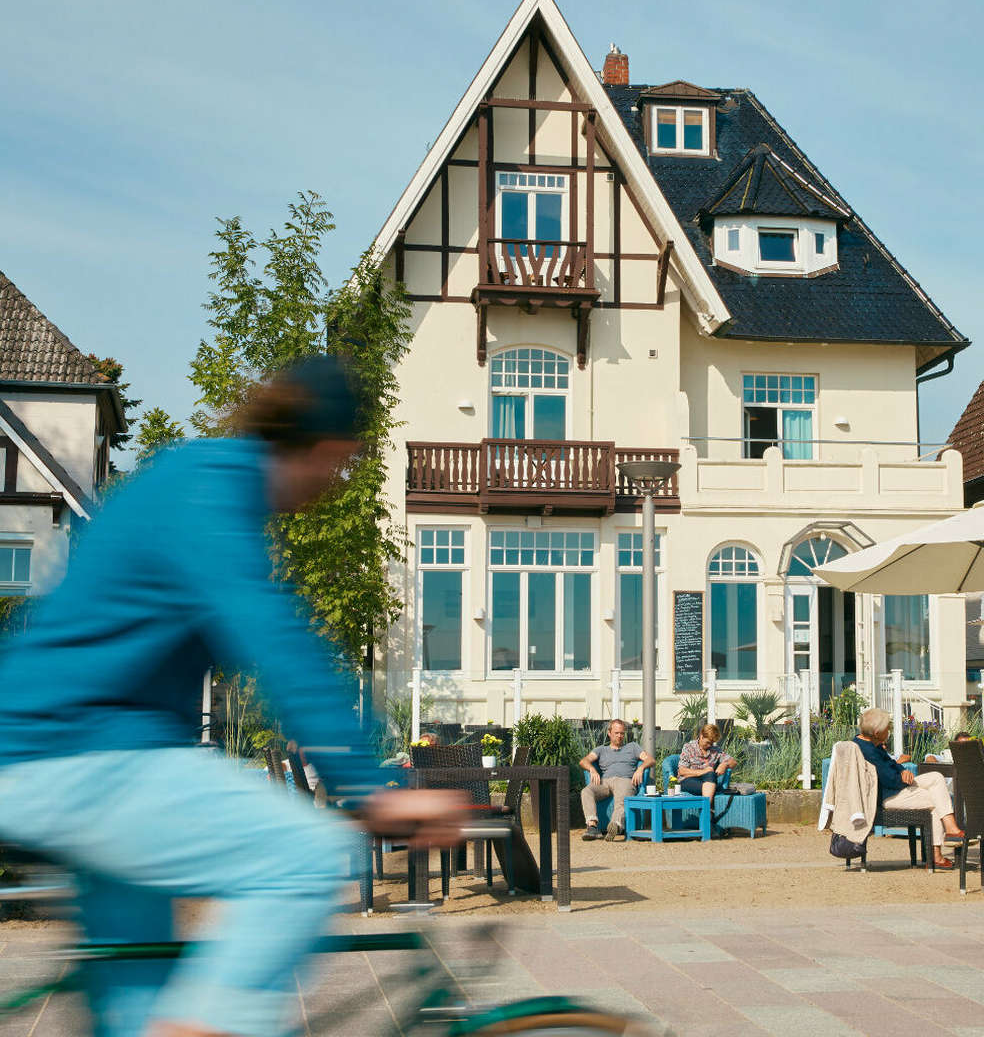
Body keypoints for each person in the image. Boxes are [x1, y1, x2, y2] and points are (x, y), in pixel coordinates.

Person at [0, 356, 466, 1037]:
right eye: (341, 463)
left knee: (141, 999)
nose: (335, 483)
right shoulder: (213, 490)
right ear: (322, 445)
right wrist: (372, 790)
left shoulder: (195, 479)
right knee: (304, 856)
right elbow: (275, 637)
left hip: (58, 752)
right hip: (78, 752)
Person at [853, 708, 965, 869]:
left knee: (936, 777)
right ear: (877, 732)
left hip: (894, 788)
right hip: (888, 796)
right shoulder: (869, 751)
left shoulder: (868, 742)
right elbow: (890, 780)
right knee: (935, 800)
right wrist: (903, 778)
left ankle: (950, 827)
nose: (889, 729)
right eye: (887, 727)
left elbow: (890, 764)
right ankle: (936, 855)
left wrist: (902, 770)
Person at [579, 719, 654, 841]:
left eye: (622, 733)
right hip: (605, 782)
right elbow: (584, 761)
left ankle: (615, 826)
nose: (620, 736)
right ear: (609, 733)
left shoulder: (633, 747)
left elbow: (650, 760)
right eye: (616, 733)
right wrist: (592, 769)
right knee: (586, 791)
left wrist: (640, 768)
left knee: (621, 801)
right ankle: (592, 827)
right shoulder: (601, 750)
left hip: (625, 780)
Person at [677, 723, 738, 800]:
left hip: (709, 781)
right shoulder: (689, 747)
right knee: (710, 779)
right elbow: (682, 771)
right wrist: (704, 771)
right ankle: (708, 809)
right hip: (688, 781)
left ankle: (706, 809)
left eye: (712, 743)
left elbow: (733, 762)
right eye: (708, 742)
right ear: (701, 736)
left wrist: (724, 765)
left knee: (710, 777)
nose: (710, 745)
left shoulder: (715, 750)